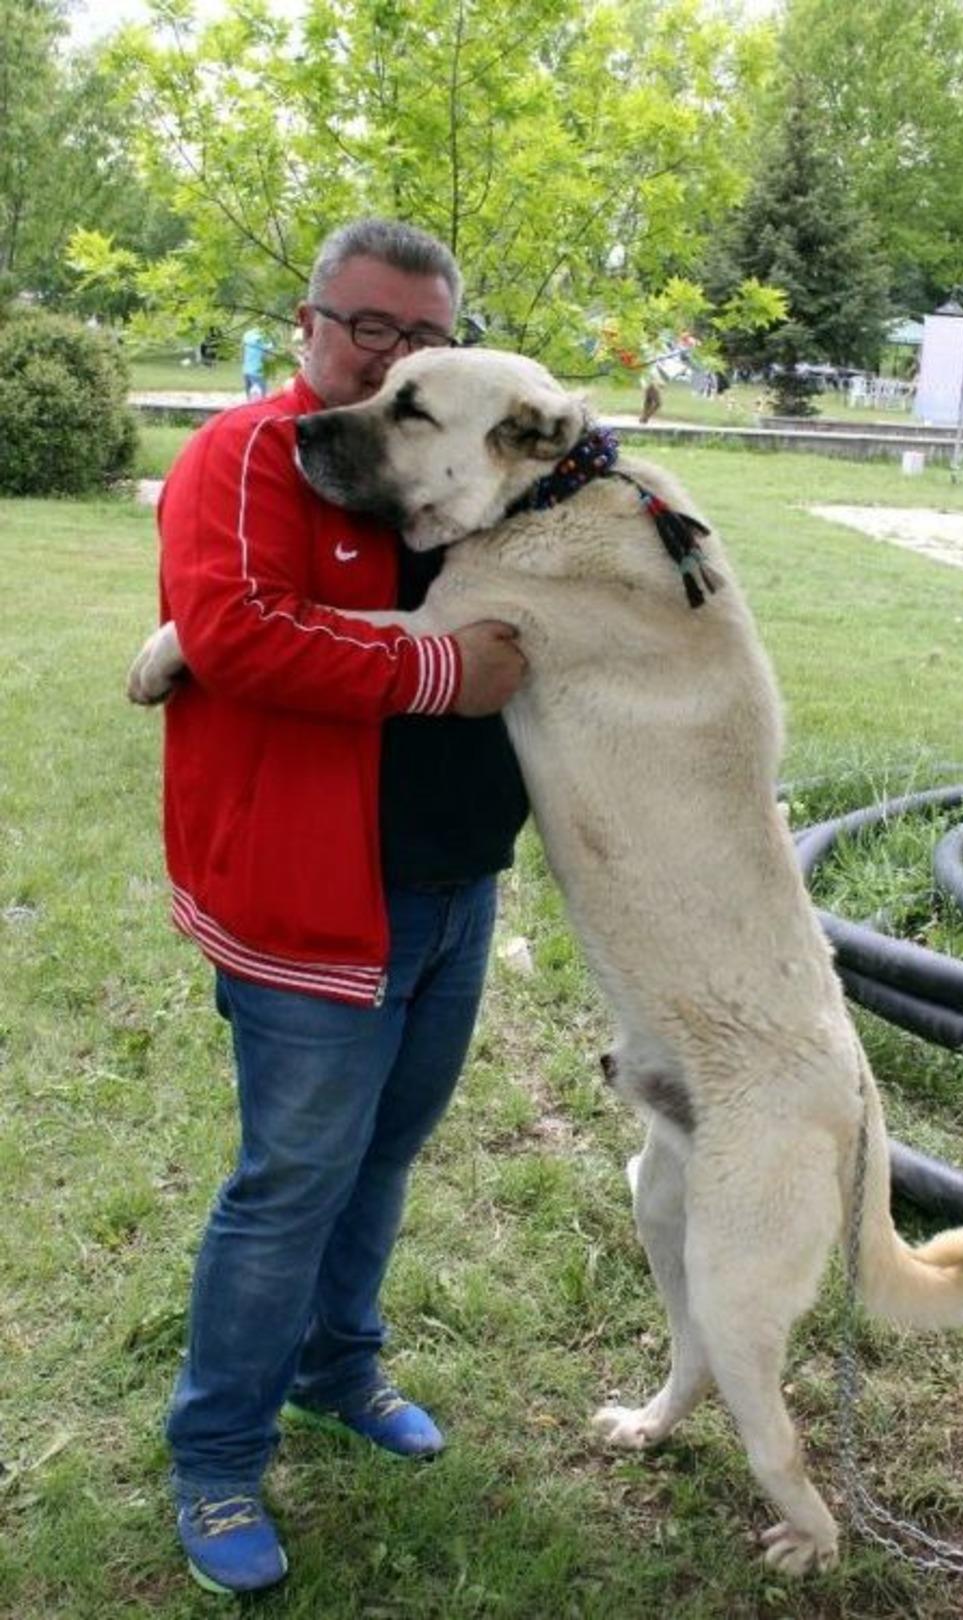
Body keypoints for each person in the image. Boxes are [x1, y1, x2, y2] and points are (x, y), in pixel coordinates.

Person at [150, 218, 529, 1594]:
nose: (394, 354)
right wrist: (444, 675)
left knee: (380, 1161)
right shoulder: (251, 452)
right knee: (288, 1186)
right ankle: (215, 1461)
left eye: (426, 335)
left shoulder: (462, 465)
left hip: (451, 886)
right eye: (367, 326)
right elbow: (241, 629)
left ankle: (337, 1373)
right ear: (310, 323)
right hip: (315, 899)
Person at [240, 324, 274, 398]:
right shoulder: (260, 339)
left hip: (246, 372)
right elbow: (270, 347)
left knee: (250, 398)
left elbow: (242, 350)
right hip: (257, 373)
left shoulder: (247, 334)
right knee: (261, 398)